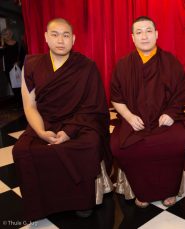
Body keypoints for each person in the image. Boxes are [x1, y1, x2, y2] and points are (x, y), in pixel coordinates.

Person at [12, 18, 113, 220]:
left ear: (73, 39)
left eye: (66, 35)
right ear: (46, 38)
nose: (60, 40)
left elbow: (93, 108)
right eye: (55, 34)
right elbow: (30, 106)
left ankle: (81, 202)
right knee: (22, 150)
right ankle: (41, 203)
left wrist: (68, 132)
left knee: (89, 144)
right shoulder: (31, 65)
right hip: (45, 120)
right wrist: (40, 131)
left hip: (79, 122)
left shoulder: (86, 67)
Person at [110, 16, 185, 208]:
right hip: (135, 120)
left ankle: (169, 189)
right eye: (139, 32)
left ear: (156, 34)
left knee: (179, 141)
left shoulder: (170, 61)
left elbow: (181, 91)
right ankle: (142, 190)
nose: (144, 36)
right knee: (120, 146)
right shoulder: (123, 65)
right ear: (132, 37)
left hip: (165, 120)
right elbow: (116, 97)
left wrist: (171, 113)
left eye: (148, 31)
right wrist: (128, 117)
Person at [1, 28, 23, 106]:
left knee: (20, 83)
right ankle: (18, 101)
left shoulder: (16, 43)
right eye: (6, 34)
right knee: (13, 84)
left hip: (16, 65)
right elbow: (1, 55)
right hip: (8, 67)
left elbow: (20, 54)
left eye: (9, 33)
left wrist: (18, 61)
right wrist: (2, 44)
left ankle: (22, 100)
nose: (9, 35)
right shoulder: (3, 45)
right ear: (4, 36)